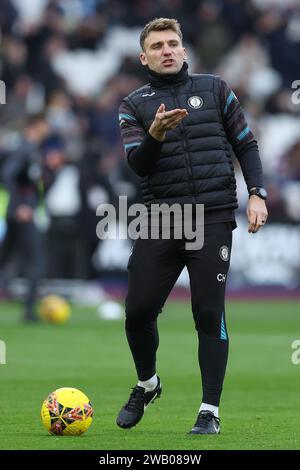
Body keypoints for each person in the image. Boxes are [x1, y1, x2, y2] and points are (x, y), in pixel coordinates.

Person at [117, 18, 268, 434]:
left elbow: (246, 143)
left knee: (207, 311)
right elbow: (139, 165)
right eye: (158, 46)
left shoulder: (216, 88)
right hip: (161, 219)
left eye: (173, 43)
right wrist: (155, 135)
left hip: (213, 216)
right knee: (138, 311)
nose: (167, 50)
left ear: (183, 49)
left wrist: (257, 192)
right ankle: (147, 383)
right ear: (143, 56)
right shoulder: (132, 105)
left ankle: (209, 412)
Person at [0, 113, 49, 322]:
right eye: (44, 126)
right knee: (37, 261)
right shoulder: (25, 149)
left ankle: (30, 308)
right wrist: (20, 205)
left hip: (18, 213)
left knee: (4, 259)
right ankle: (30, 311)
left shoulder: (30, 150)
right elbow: (8, 174)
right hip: (22, 215)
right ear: (36, 126)